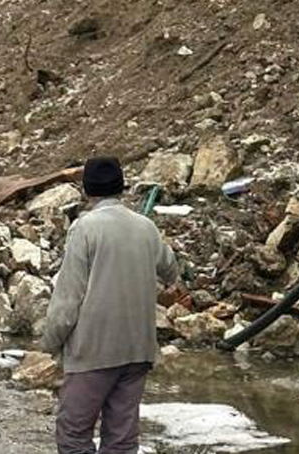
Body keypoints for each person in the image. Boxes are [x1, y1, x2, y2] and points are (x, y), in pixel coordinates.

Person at [40, 156, 180, 454]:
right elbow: (171, 269)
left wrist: (49, 344)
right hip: (137, 350)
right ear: (121, 186)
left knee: (74, 434)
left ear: (87, 190)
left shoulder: (85, 228)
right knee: (122, 439)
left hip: (94, 350)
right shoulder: (146, 227)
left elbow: (68, 299)